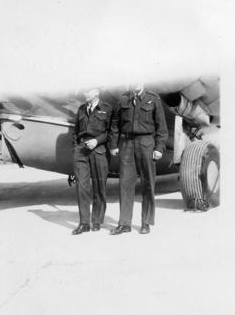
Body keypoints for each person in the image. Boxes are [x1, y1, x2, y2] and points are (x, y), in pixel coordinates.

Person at [109, 82, 168, 235]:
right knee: (125, 184)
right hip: (127, 143)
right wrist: (114, 145)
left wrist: (159, 148)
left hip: (146, 143)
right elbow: (115, 123)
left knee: (148, 184)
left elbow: (161, 126)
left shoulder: (153, 98)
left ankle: (146, 222)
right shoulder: (123, 99)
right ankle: (124, 223)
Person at [72, 88, 112, 235]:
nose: (84, 93)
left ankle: (96, 221)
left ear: (96, 92)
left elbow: (111, 131)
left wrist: (97, 141)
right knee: (81, 187)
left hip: (99, 150)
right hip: (81, 151)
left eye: (87, 91)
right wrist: (76, 148)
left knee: (99, 186)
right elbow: (76, 131)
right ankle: (84, 223)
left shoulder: (107, 109)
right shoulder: (81, 109)